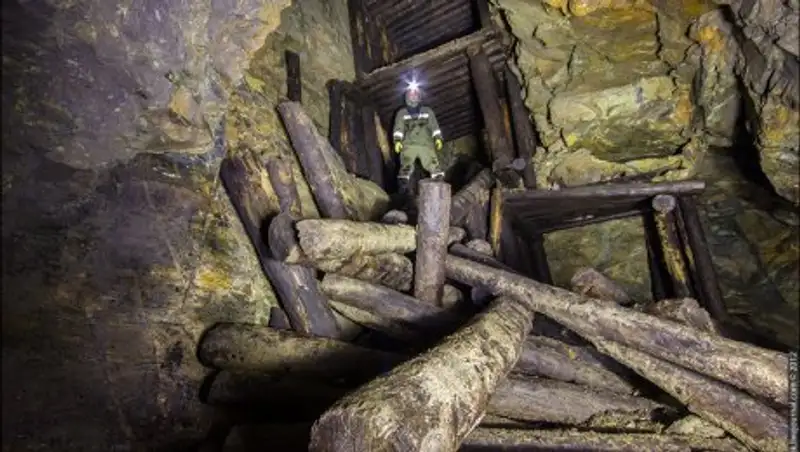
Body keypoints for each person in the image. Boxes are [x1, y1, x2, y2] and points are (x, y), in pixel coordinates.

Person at [391, 83, 444, 194]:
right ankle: (403, 190)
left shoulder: (427, 111)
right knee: (406, 166)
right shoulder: (402, 113)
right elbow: (398, 128)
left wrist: (438, 138)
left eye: (415, 94)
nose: (413, 96)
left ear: (419, 96)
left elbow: (434, 126)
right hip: (409, 145)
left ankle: (439, 185)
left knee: (433, 165)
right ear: (407, 96)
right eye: (411, 94)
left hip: (426, 144)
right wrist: (397, 141)